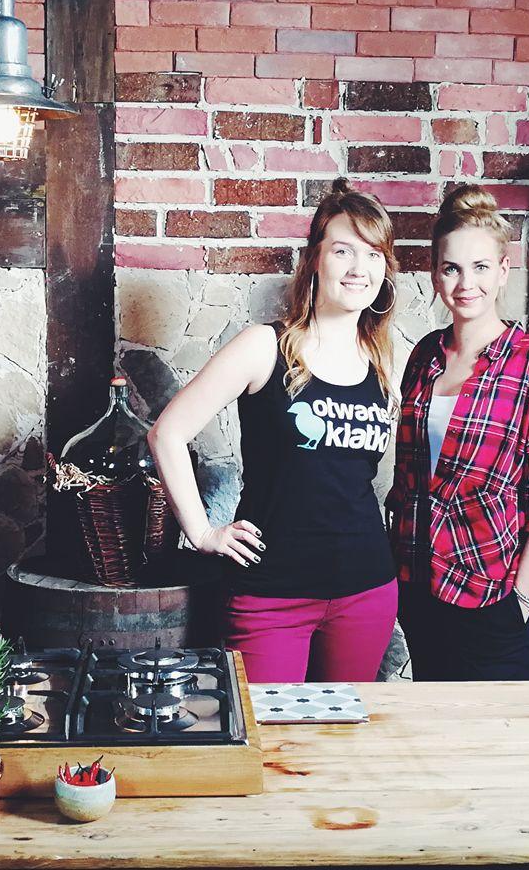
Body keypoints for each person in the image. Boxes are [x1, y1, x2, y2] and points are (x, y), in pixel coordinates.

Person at [148, 179, 399, 684]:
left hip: (365, 591)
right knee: (267, 729)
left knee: (344, 727)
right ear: (315, 260)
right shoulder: (264, 346)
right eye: (343, 250)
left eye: (373, 254)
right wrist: (202, 533)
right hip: (270, 594)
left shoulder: (384, 361)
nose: (359, 268)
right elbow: (166, 434)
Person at [387, 184, 529, 680]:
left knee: (499, 725)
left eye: (479, 267)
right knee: (434, 719)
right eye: (451, 268)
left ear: (502, 270)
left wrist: (523, 596)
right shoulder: (424, 356)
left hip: (498, 590)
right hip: (422, 585)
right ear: (434, 273)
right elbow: (409, 477)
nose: (465, 283)